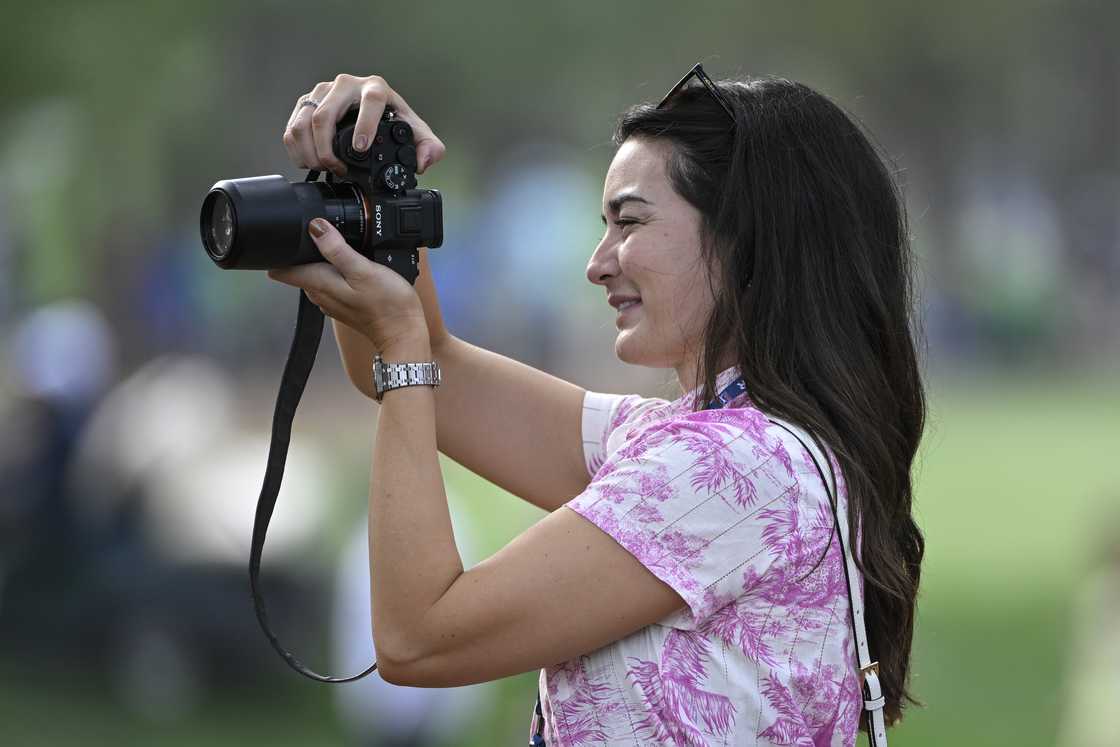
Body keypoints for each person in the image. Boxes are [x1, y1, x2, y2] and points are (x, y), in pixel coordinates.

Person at [267, 66, 925, 746]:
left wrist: (402, 344)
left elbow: (419, 638)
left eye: (629, 223)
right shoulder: (728, 449)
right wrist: (372, 179)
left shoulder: (730, 469)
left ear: (745, 239)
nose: (597, 262)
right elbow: (427, 372)